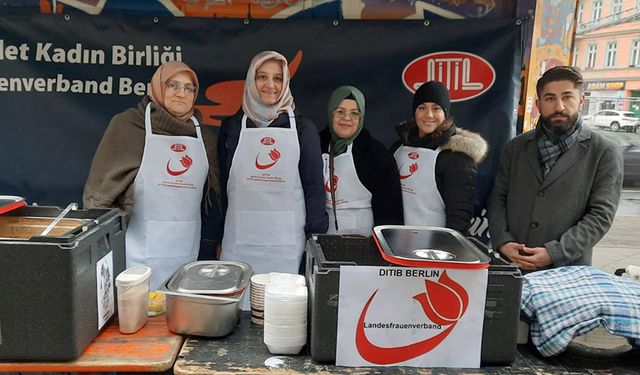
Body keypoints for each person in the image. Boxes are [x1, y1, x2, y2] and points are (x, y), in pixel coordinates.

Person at [83, 60, 222, 289]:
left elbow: (213, 201)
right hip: (136, 255)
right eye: (173, 85)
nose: (181, 93)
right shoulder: (128, 126)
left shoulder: (204, 138)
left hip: (187, 254)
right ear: (157, 87)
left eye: (189, 88)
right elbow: (100, 195)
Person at [488, 66, 623, 271]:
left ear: (581, 100)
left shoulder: (603, 151)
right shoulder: (517, 147)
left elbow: (600, 215)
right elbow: (498, 197)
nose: (559, 106)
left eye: (567, 97)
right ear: (538, 104)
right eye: (550, 98)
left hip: (568, 270)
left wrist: (556, 252)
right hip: (513, 265)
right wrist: (503, 242)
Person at [218, 51, 328, 286]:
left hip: (286, 245)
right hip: (239, 242)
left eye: (277, 78)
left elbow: (314, 188)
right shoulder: (231, 127)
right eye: (262, 77)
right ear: (250, 80)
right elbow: (222, 185)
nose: (270, 85)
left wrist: (315, 237)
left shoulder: (302, 129)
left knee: (283, 312)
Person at [392, 80, 488, 234]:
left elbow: (459, 217)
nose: (428, 115)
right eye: (422, 108)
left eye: (436, 108)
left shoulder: (457, 157)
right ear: (414, 112)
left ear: (445, 113)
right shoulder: (398, 147)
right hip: (396, 240)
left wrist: (446, 251)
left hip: (435, 248)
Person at [319, 85, 403, 236]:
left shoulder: (377, 155)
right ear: (330, 113)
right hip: (322, 240)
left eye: (354, 113)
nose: (346, 118)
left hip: (365, 244)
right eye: (340, 111)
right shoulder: (315, 145)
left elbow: (390, 213)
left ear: (361, 117)